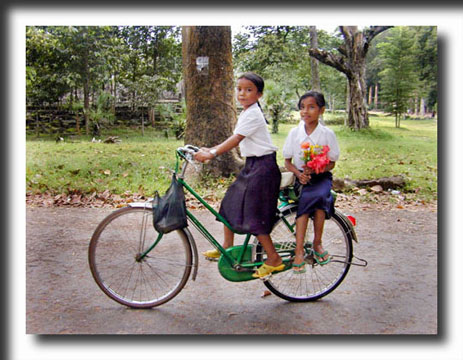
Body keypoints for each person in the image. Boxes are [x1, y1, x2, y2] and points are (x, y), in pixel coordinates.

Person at [194, 72, 283, 278]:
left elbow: (236, 139)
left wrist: (213, 153)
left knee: (255, 215)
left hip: (263, 168)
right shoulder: (247, 112)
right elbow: (235, 138)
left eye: (249, 90)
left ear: (259, 94)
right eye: (239, 89)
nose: (242, 93)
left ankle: (273, 258)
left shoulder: (253, 114)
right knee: (230, 203)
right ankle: (227, 246)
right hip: (253, 166)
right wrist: (211, 149)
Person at [282, 91, 340, 273]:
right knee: (306, 203)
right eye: (302, 107)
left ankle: (317, 243)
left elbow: (332, 163)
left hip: (320, 177)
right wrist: (299, 175)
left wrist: (319, 168)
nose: (305, 111)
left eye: (311, 107)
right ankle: (298, 250)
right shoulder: (294, 133)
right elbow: (287, 162)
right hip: (301, 177)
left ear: (321, 110)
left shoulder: (326, 134)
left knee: (319, 198)